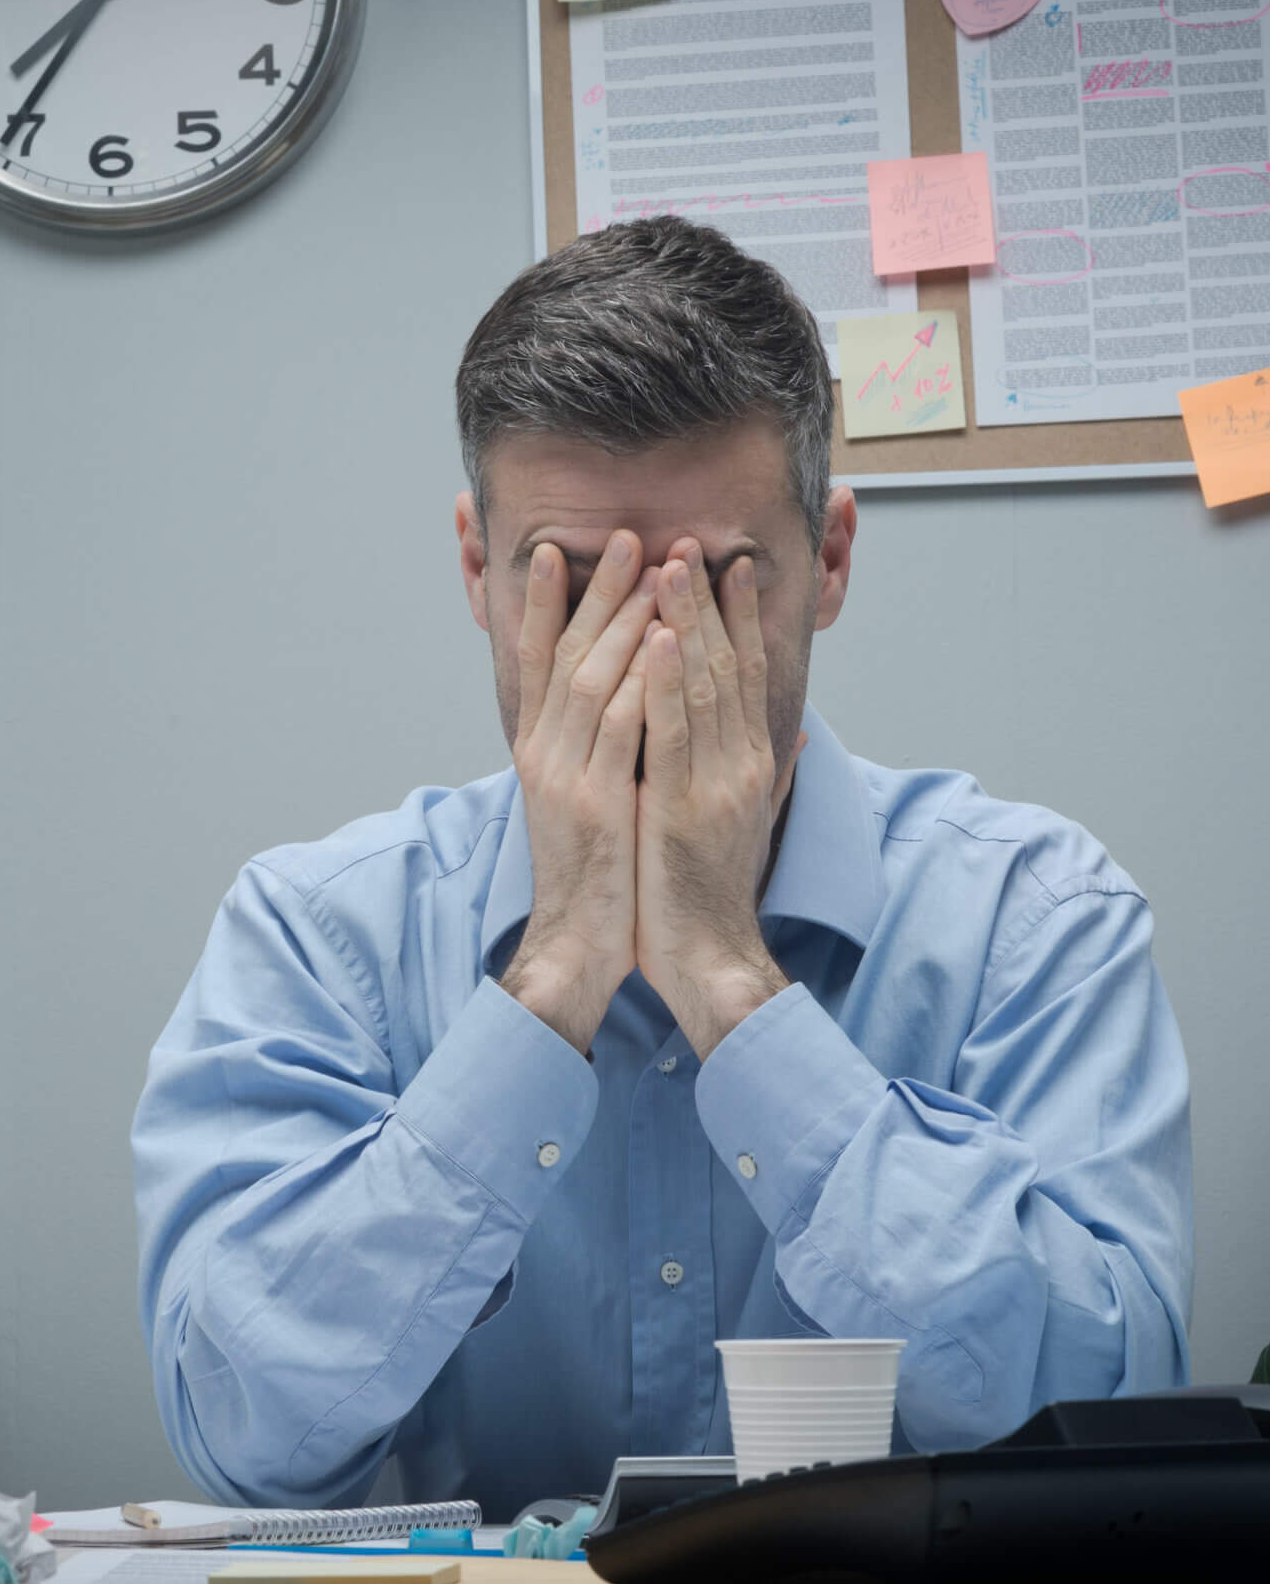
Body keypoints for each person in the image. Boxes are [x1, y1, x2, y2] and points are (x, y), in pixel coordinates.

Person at [131, 217, 1194, 1518]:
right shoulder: (317, 934)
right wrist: (557, 970)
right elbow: (244, 1430)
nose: (641, 651)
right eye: (570, 584)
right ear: (477, 567)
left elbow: (1107, 1421)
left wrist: (732, 983)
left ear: (832, 562)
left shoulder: (1033, 918)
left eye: (713, 585)